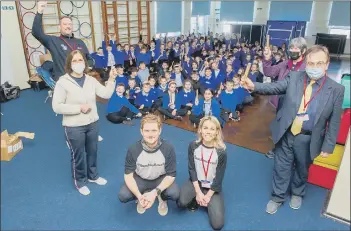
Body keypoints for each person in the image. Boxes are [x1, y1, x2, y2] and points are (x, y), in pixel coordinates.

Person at [240, 45, 345, 214]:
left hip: (309, 138)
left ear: (327, 64)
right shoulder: (295, 77)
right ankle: (277, 196)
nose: (314, 67)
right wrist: (254, 86)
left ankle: (297, 192)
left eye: (319, 63)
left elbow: (334, 121)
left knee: (302, 168)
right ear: (306, 63)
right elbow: (275, 87)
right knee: (281, 166)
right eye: (311, 63)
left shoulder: (337, 90)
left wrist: (328, 146)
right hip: (287, 132)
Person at [52, 50, 116, 196]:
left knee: (93, 151)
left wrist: (111, 80)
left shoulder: (91, 80)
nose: (78, 63)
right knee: (78, 155)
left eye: (80, 60)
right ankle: (80, 182)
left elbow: (105, 94)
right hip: (74, 126)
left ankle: (93, 176)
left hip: (92, 123)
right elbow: (57, 106)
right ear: (69, 64)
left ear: (84, 63)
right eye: (74, 61)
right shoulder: (62, 82)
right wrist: (78, 108)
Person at [118, 114, 180, 216]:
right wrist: (138, 195)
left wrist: (154, 193)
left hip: (160, 178)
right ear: (141, 131)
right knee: (123, 195)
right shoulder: (133, 149)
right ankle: (142, 196)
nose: (150, 134)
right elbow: (128, 175)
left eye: (154, 130)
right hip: (141, 179)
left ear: (160, 131)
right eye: (147, 131)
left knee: (174, 193)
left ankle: (162, 198)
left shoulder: (168, 148)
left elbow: (170, 175)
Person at [178, 116, 227, 231]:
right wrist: (198, 192)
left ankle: (211, 200)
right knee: (181, 203)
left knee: (217, 225)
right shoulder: (193, 146)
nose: (208, 132)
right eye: (205, 128)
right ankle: (196, 198)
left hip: (212, 186)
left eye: (212, 129)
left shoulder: (221, 152)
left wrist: (208, 196)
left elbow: (219, 178)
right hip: (197, 182)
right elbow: (192, 169)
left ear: (217, 132)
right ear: (200, 129)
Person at [263, 37, 308, 158]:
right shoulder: (284, 64)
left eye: (296, 48)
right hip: (282, 100)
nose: (293, 50)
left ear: (303, 51)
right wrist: (267, 59)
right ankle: (277, 148)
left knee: (294, 128)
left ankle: (293, 154)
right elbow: (269, 72)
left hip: (298, 103)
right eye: (291, 48)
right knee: (280, 125)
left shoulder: (307, 67)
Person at [32, 1, 93, 80]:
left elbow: (89, 59)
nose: (68, 26)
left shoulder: (80, 42)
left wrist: (86, 66)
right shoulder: (53, 41)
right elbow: (36, 32)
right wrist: (40, 11)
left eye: (70, 24)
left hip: (80, 79)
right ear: (59, 27)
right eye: (65, 24)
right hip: (64, 81)